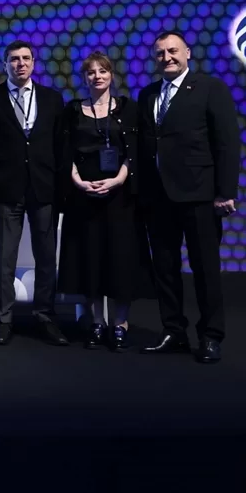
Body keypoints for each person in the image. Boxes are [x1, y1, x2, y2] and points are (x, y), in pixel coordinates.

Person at [137, 31, 239, 364]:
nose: (167, 57)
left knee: (205, 269)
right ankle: (173, 331)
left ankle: (211, 336)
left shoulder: (211, 88)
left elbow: (227, 143)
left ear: (188, 53)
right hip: (158, 198)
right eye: (160, 53)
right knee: (165, 270)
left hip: (200, 195)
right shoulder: (148, 94)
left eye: (173, 51)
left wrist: (226, 192)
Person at [57, 52, 152, 351]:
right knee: (90, 258)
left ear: (112, 75)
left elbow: (135, 151)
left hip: (121, 197)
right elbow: (64, 152)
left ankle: (120, 323)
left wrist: (119, 179)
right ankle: (97, 322)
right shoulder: (72, 110)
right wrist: (78, 181)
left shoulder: (129, 108)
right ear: (84, 78)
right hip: (83, 197)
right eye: (91, 72)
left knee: (121, 259)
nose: (97, 76)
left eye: (103, 71)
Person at [0, 40, 68, 346]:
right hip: (5, 189)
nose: (21, 64)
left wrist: (62, 190)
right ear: (5, 64)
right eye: (14, 59)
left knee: (46, 258)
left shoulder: (52, 99)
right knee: (4, 259)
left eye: (26, 58)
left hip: (44, 188)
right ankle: (3, 320)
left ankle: (45, 316)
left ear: (33, 63)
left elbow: (61, 147)